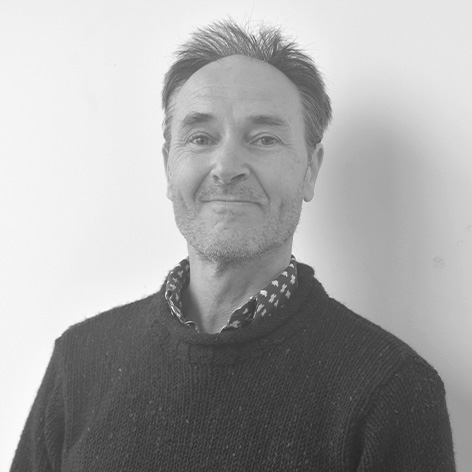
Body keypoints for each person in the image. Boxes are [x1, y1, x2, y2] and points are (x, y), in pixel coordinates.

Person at [11, 19, 455, 471]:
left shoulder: (391, 391)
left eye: (264, 139)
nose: (226, 167)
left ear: (310, 170)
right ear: (169, 167)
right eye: (201, 138)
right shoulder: (79, 361)